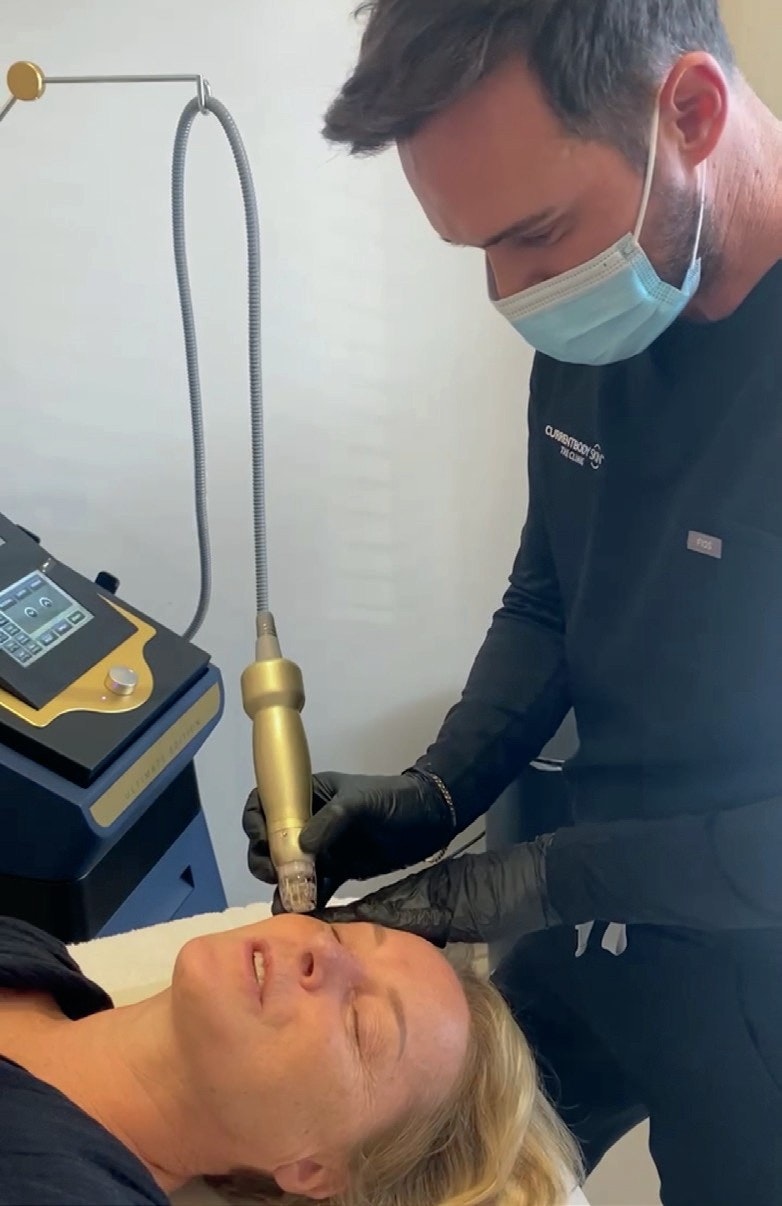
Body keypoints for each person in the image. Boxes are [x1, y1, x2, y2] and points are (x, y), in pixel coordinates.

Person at [243, 2, 782, 1203]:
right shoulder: (610, 305)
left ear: (689, 113)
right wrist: (437, 792)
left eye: (533, 233)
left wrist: (541, 880)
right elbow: (552, 594)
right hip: (593, 919)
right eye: (477, 249)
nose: (512, 292)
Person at [0, 912, 580, 1206]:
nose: (320, 949)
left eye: (363, 1025)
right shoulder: (34, 957)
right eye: (344, 934)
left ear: (311, 1170)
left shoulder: (62, 1191)